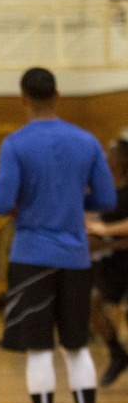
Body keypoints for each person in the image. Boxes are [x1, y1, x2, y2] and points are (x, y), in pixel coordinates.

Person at [0, 67, 117, 403]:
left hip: (31, 257)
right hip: (76, 258)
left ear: (24, 98)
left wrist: (26, 199)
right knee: (77, 348)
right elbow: (107, 198)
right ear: (58, 95)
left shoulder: (15, 144)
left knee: (40, 351)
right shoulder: (86, 141)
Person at [86, 133, 128, 386]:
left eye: (110, 151)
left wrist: (105, 234)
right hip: (112, 261)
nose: (105, 155)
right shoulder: (105, 189)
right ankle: (117, 353)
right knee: (91, 305)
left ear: (123, 159)